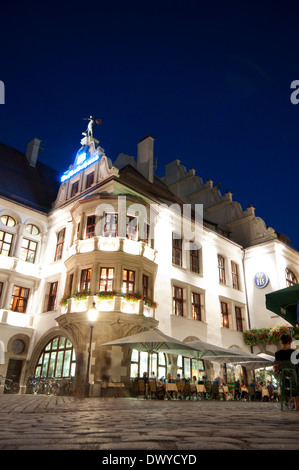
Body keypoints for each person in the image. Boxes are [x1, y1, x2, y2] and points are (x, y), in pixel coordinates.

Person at [274, 334, 299, 410]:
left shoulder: (277, 354)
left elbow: (277, 366)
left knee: (284, 383)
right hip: (294, 377)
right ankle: (297, 405)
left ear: (281, 342)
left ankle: (285, 401)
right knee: (297, 382)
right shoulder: (294, 353)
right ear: (289, 342)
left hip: (283, 378)